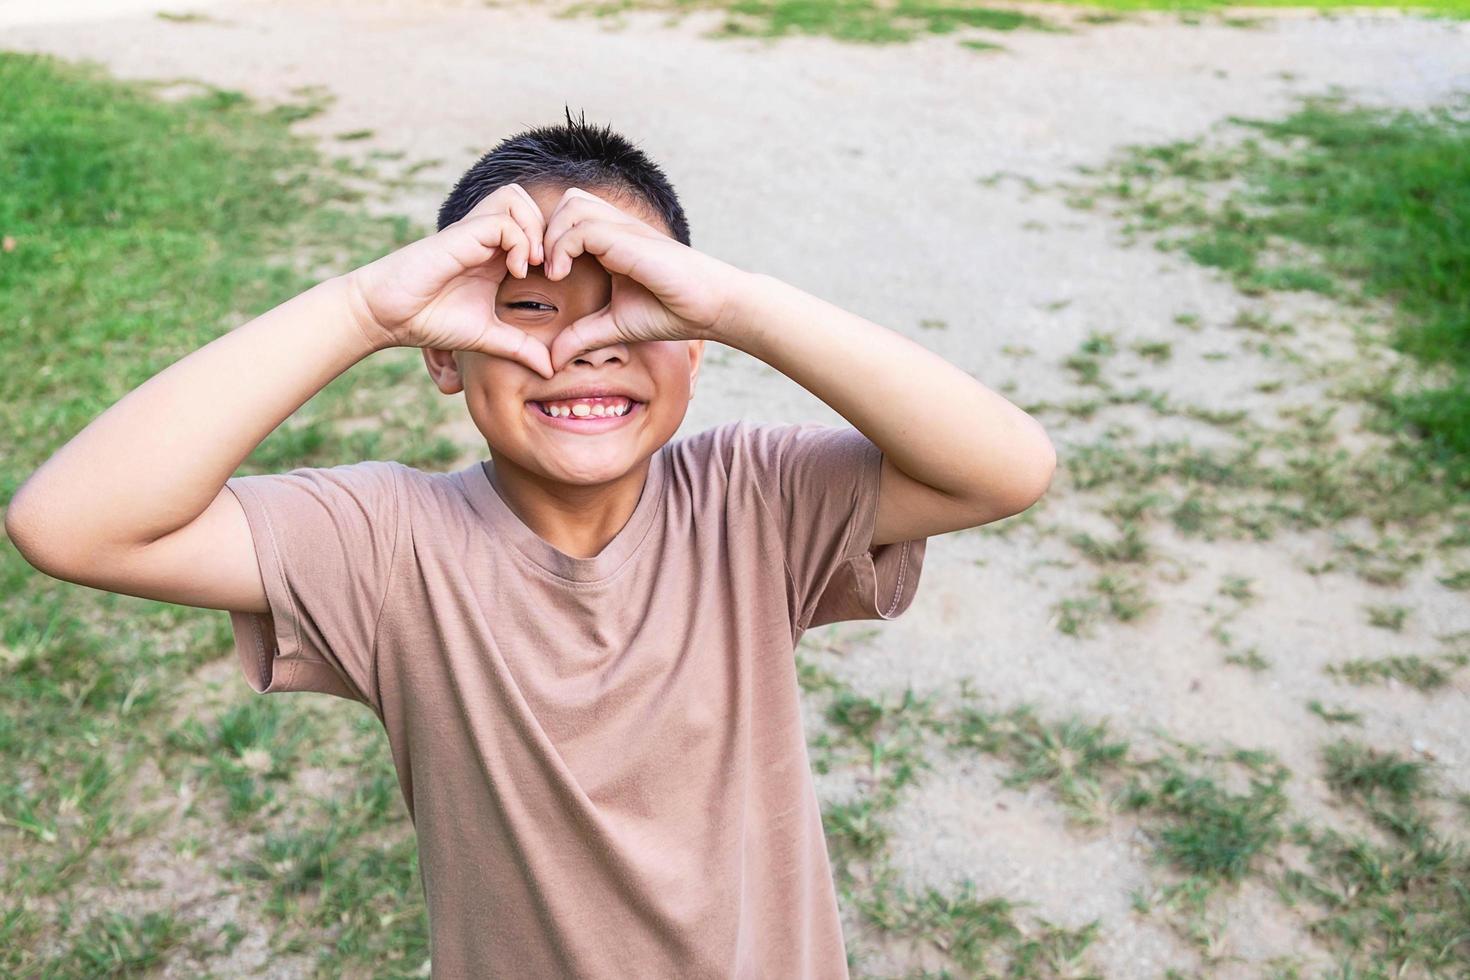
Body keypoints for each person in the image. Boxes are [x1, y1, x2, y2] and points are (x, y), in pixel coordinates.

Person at [6, 109, 1057, 978]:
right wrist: (367, 307)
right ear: (447, 357)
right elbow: (70, 521)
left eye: (631, 307)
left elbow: (1005, 465)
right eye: (525, 310)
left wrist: (734, 301)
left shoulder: (756, 498)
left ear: (694, 341)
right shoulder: (388, 547)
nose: (578, 349)